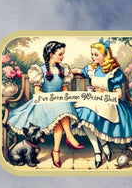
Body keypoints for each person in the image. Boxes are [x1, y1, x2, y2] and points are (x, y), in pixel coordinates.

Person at [5, 40, 84, 168]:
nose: (62, 57)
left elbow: (64, 89)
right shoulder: (40, 70)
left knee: (61, 110)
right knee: (60, 108)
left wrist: (65, 95)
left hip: (58, 104)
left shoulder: (63, 70)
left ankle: (56, 151)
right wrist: (50, 97)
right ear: (51, 54)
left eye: (63, 54)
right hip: (44, 103)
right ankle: (68, 138)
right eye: (60, 54)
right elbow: (37, 92)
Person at [75, 38, 132, 167]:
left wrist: (103, 92)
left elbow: (119, 94)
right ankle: (99, 149)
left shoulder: (114, 72)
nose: (93, 57)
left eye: (96, 55)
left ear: (105, 55)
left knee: (92, 114)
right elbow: (79, 72)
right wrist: (68, 71)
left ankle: (103, 147)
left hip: (109, 101)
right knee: (83, 113)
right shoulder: (92, 69)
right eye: (92, 54)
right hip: (93, 100)